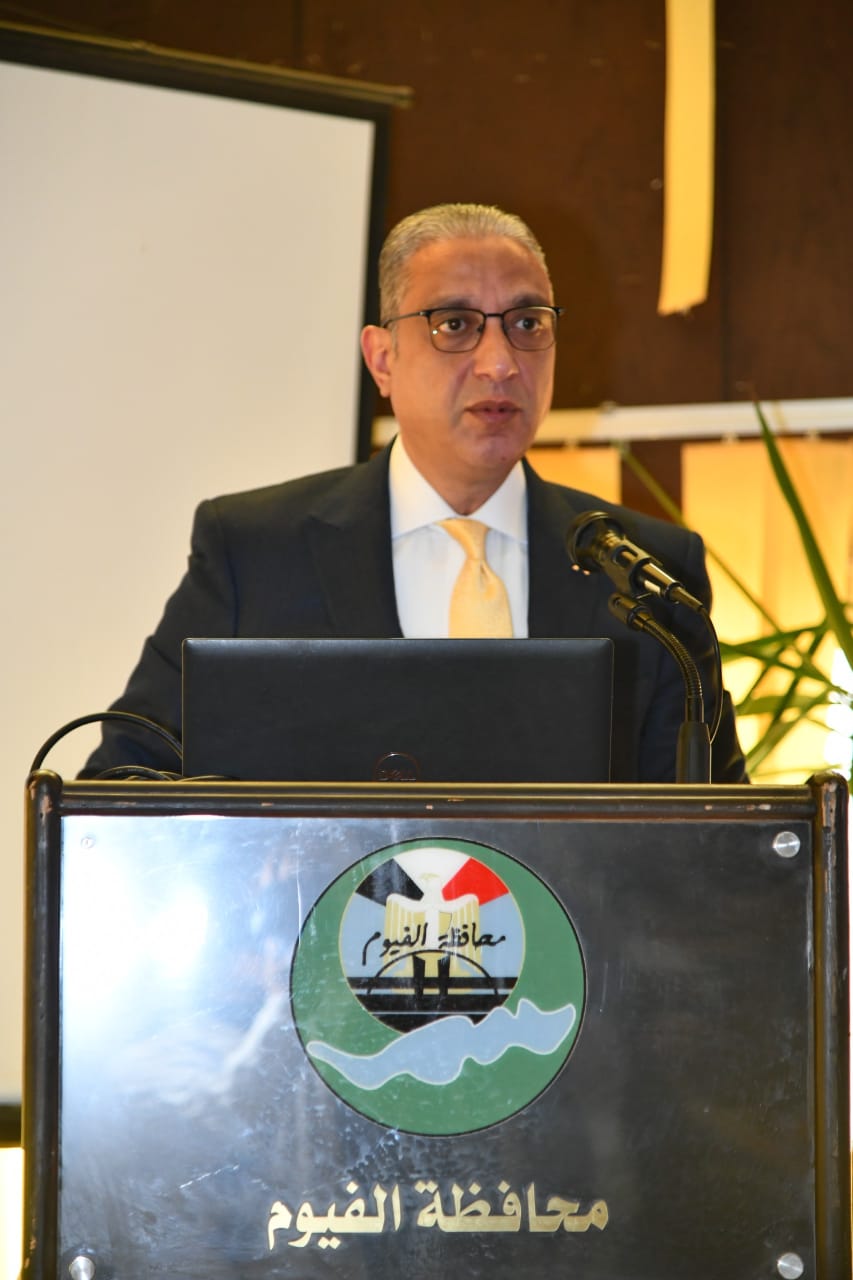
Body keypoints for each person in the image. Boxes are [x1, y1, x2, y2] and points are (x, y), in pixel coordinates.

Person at [83, 202, 746, 783]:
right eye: (454, 324)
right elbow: (125, 781)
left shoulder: (646, 571)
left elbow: (719, 834)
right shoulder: (255, 552)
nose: (499, 362)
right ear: (382, 359)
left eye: (527, 323)